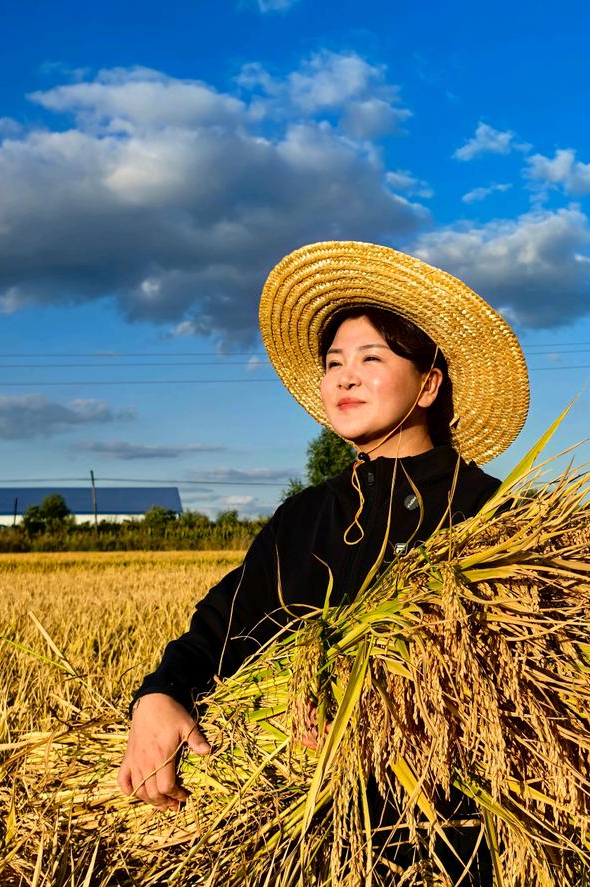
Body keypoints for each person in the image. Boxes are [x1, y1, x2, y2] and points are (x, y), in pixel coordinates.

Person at [117, 240, 529, 809]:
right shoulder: (303, 517)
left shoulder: (490, 516)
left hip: (448, 829)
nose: (345, 378)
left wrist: (378, 703)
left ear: (429, 385)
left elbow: (520, 680)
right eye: (334, 362)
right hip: (298, 816)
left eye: (371, 359)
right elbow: (224, 627)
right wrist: (159, 694)